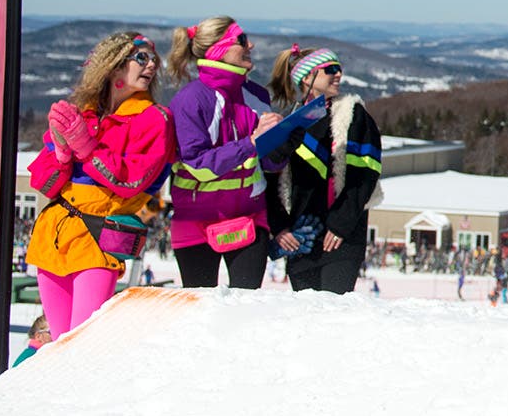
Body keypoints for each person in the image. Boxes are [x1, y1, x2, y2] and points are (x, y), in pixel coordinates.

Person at [26, 32, 177, 337]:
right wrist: (61, 153)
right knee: (57, 340)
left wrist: (87, 149)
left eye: (153, 60)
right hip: (53, 235)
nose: (151, 66)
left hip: (100, 234)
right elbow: (43, 182)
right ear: (113, 66)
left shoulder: (155, 119)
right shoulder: (84, 114)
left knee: (82, 338)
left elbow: (132, 182)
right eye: (141, 58)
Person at [168, 18, 284, 289]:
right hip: (195, 222)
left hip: (250, 217)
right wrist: (251, 143)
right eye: (242, 40)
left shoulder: (256, 95)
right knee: (200, 307)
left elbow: (268, 162)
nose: (250, 45)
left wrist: (281, 140)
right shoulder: (191, 100)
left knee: (247, 306)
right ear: (218, 50)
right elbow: (198, 165)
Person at [266, 46, 382, 295]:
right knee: (306, 315)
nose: (338, 74)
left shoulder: (353, 116)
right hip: (301, 238)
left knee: (333, 313)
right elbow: (270, 180)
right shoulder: (289, 122)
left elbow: (365, 174)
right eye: (330, 69)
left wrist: (341, 223)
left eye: (339, 69)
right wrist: (280, 227)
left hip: (340, 237)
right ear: (306, 78)